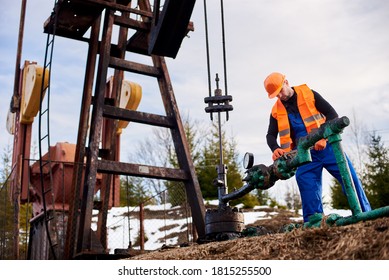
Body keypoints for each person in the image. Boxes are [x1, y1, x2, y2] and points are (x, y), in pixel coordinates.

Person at [263, 72, 371, 222]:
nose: (280, 96)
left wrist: (323, 136)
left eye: (280, 90)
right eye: (276, 95)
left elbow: (332, 114)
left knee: (350, 179)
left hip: (328, 148)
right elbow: (270, 135)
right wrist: (275, 148)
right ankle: (314, 225)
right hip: (303, 155)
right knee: (307, 187)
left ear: (286, 82)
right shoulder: (276, 111)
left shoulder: (309, 94)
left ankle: (366, 216)